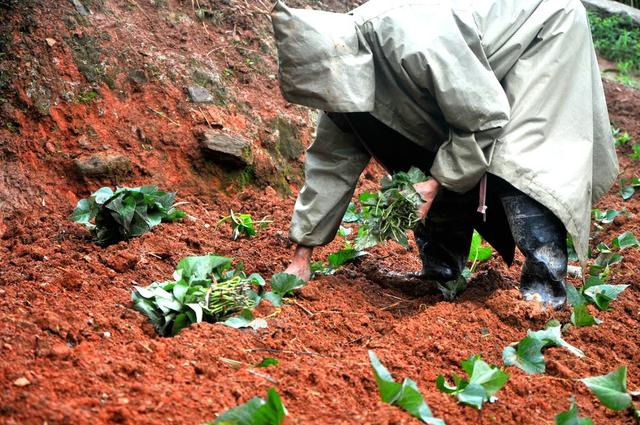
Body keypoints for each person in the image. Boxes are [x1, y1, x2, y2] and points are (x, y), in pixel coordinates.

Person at [270, 0, 619, 308]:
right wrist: (302, 255)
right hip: (473, 66)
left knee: (520, 160)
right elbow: (330, 166)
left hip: (542, 33)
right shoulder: (336, 79)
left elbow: (482, 118)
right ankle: (441, 274)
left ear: (342, 60)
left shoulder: (412, 40)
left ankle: (544, 293)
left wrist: (437, 183)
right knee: (435, 156)